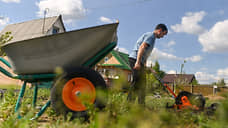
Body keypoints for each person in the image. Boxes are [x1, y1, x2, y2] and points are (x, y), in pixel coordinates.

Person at [128, 24, 168, 105]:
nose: (163, 37)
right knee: (137, 82)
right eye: (163, 34)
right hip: (135, 59)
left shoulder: (151, 38)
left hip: (139, 61)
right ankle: (128, 105)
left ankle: (141, 106)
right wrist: (138, 62)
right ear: (160, 30)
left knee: (142, 85)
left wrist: (146, 67)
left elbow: (145, 54)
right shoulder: (151, 36)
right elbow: (142, 47)